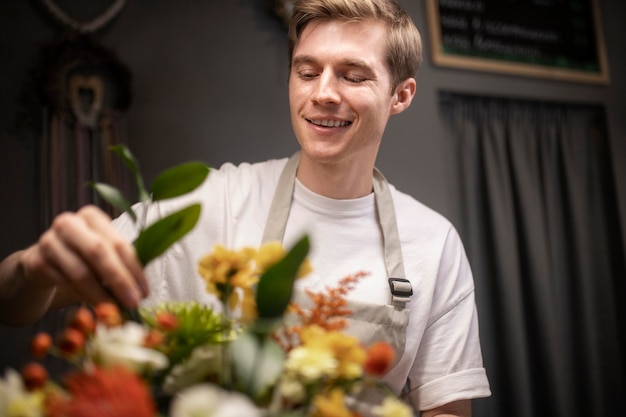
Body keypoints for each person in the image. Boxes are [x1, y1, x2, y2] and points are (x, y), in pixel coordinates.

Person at [0, 0, 491, 414]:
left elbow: (447, 409)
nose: (322, 93)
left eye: (352, 75)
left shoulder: (433, 241)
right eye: (307, 71)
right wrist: (34, 267)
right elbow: (13, 303)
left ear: (400, 95)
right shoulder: (206, 203)